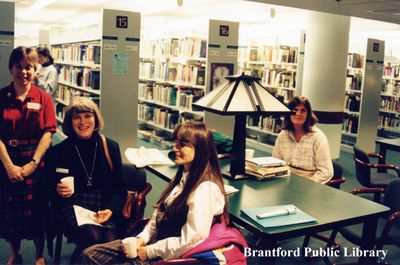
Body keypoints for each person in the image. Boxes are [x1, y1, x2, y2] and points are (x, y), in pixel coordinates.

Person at [78, 121, 247, 264]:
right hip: (153, 243)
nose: (175, 148)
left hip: (163, 256)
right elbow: (158, 215)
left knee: (91, 259)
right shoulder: (184, 176)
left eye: (183, 144)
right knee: (88, 254)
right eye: (176, 142)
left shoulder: (204, 189)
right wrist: (141, 239)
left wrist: (148, 251)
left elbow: (191, 239)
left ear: (200, 149)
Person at [44, 97, 127, 260]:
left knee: (111, 242)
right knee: (93, 238)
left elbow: (120, 188)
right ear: (69, 122)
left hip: (103, 205)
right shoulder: (58, 151)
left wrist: (110, 209)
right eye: (77, 117)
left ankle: (81, 260)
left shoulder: (110, 147)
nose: (83, 122)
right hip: (71, 205)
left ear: (95, 119)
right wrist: (56, 188)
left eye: (88, 116)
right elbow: (46, 186)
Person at [0, 46, 57, 265]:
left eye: (29, 67)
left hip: (35, 160)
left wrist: (34, 162)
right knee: (10, 213)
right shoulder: (0, 97)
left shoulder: (44, 98)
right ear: (10, 68)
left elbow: (48, 134)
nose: (23, 72)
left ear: (35, 70)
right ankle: (15, 254)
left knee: (37, 211)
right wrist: (8, 166)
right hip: (8, 160)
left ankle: (39, 254)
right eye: (19, 67)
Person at [272, 96, 333, 184]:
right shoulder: (283, 135)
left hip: (308, 183)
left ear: (308, 114)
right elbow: (275, 163)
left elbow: (326, 172)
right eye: (295, 110)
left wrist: (308, 185)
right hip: (285, 180)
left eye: (303, 110)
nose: (298, 113)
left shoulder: (318, 137)